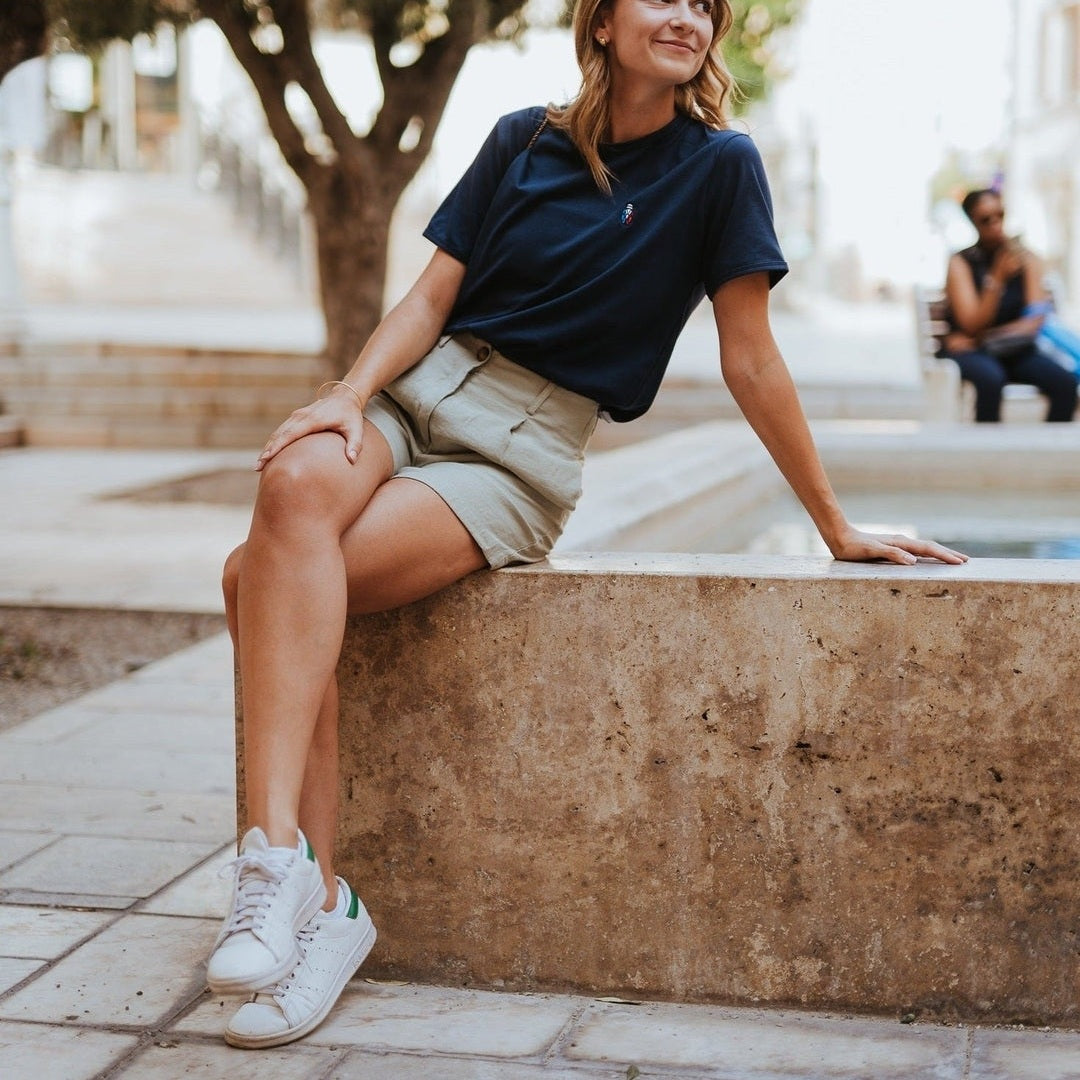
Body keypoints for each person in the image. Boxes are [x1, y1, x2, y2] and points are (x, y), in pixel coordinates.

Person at [207, 0, 969, 1051]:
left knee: (260, 581)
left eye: (706, 5)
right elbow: (433, 296)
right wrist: (348, 394)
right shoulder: (521, 137)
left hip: (517, 449)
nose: (688, 17)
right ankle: (285, 869)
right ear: (601, 22)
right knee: (293, 486)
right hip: (415, 396)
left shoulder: (720, 167)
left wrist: (831, 523)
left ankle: (314, 898)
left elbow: (750, 355)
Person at [942, 188, 1076, 422]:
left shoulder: (1027, 259)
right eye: (986, 219)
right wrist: (997, 279)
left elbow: (1034, 321)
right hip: (972, 353)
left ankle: (1047, 451)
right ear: (972, 222)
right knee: (990, 380)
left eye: (1000, 215)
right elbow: (971, 323)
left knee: (1064, 384)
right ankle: (987, 452)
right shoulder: (961, 262)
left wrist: (984, 338)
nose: (995, 224)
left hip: (1012, 350)